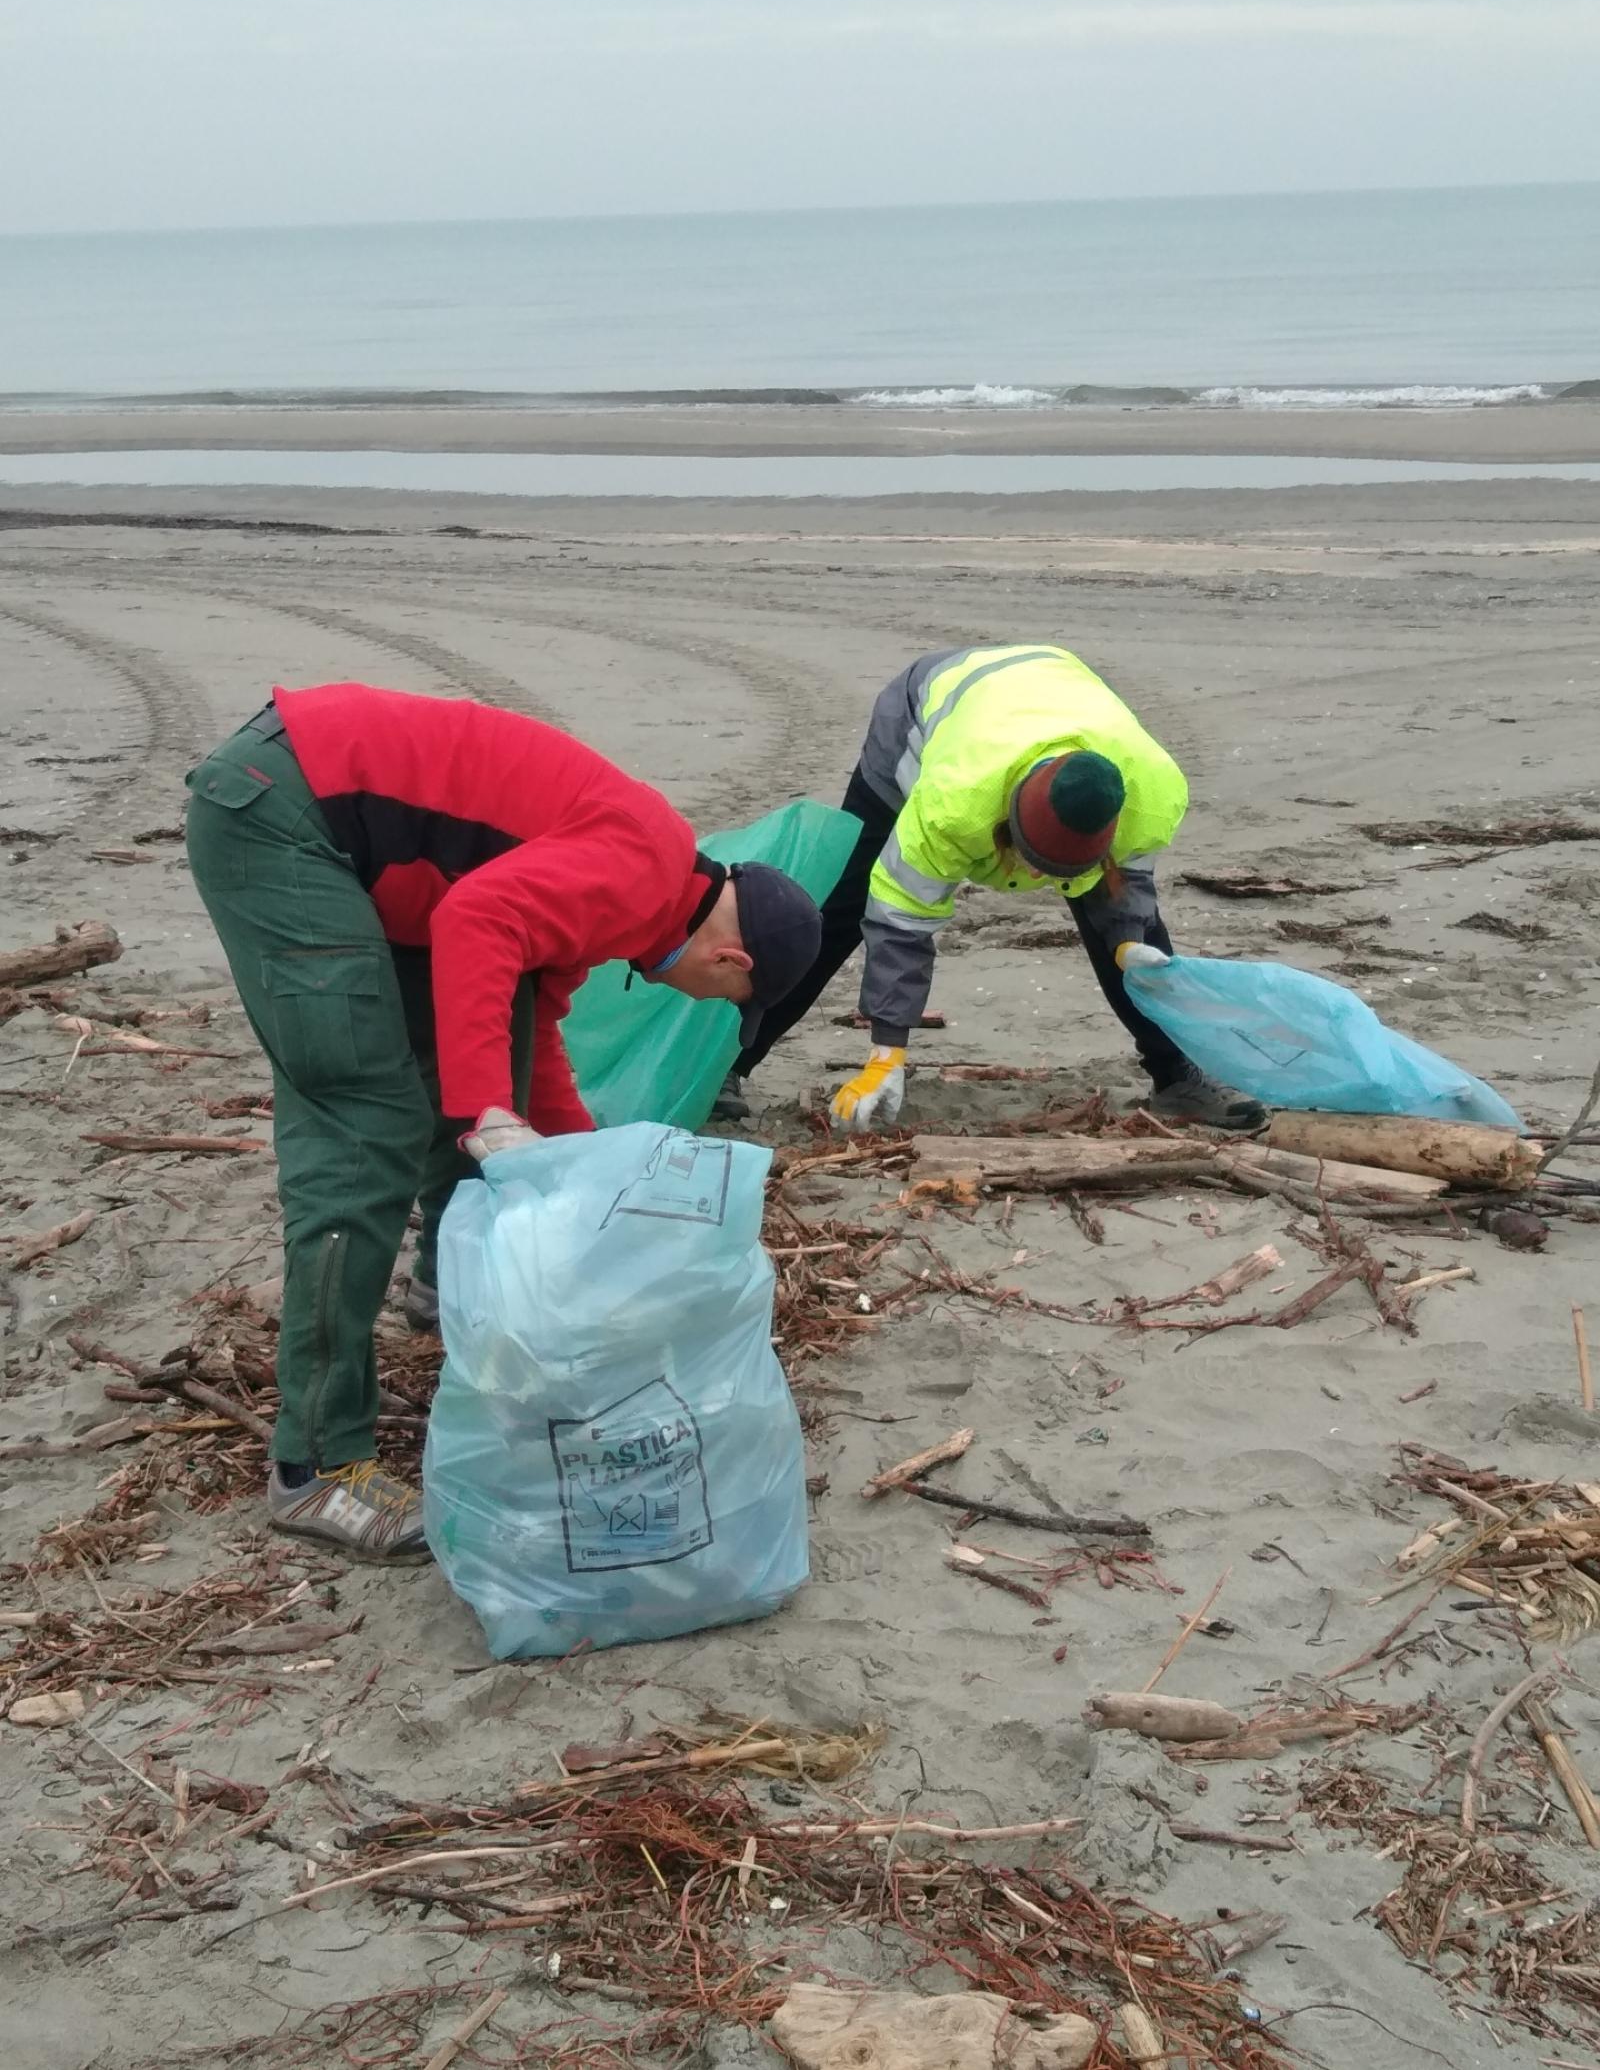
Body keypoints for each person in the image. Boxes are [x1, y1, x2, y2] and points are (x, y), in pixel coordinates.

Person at [185, 683, 821, 1563]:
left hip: (352, 835)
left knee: (493, 1043)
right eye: (730, 1001)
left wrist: (593, 1181)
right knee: (365, 1125)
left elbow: (533, 1033)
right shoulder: (640, 866)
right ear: (732, 959)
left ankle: (445, 1291)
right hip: (288, 813)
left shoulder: (640, 888)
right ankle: (316, 1466)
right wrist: (487, 1113)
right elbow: (475, 919)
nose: (711, 1002)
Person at [718, 643, 1264, 1135]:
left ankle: (1177, 1078)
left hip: (1050, 688)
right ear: (1007, 829)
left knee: (1128, 932)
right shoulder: (953, 801)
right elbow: (900, 922)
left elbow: (1128, 894)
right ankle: (724, 1068)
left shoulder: (1152, 790)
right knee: (843, 905)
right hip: (924, 711)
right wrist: (888, 1055)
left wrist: (1130, 942)